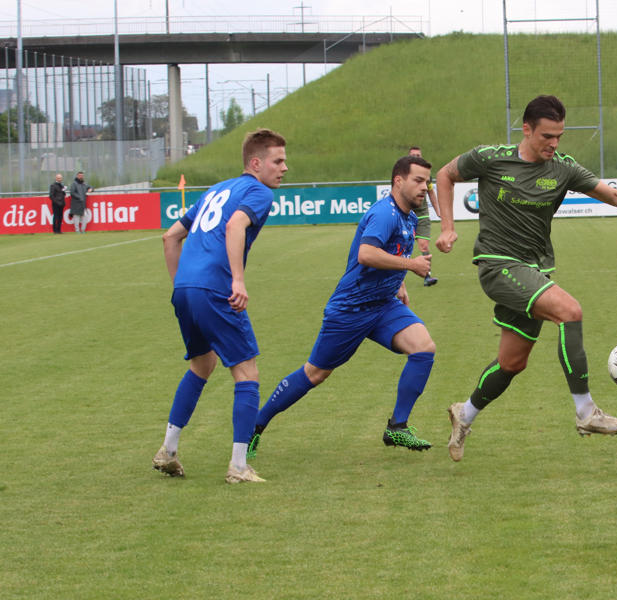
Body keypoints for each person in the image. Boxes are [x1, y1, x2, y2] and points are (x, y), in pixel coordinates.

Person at [435, 94, 617, 462]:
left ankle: (464, 414)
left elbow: (614, 196)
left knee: (511, 363)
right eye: (546, 136)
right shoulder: (490, 158)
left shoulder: (563, 168)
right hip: (497, 265)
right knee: (570, 311)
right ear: (526, 129)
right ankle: (586, 412)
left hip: (533, 270)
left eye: (559, 137)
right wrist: (447, 227)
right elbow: (445, 174)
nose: (553, 144)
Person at [246, 154, 438, 458]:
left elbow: (394, 252)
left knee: (424, 348)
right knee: (314, 374)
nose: (424, 187)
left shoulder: (409, 218)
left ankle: (397, 426)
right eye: (418, 180)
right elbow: (366, 254)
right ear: (398, 181)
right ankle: (255, 426)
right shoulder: (384, 213)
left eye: (427, 181)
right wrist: (411, 265)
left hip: (383, 305)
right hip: (352, 308)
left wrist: (399, 282)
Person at [153, 128, 288, 484]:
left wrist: (182, 285)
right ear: (256, 163)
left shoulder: (215, 189)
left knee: (202, 364)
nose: (284, 168)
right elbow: (235, 225)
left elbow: (170, 237)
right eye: (277, 161)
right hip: (215, 289)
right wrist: (237, 280)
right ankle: (239, 467)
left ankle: (168, 450)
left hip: (186, 289)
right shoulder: (259, 192)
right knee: (247, 373)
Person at [408, 146, 440, 287]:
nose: (416, 157)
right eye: (413, 155)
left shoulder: (427, 176)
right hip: (407, 215)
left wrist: (438, 211)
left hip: (422, 216)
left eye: (418, 155)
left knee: (424, 245)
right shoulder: (404, 174)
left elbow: (431, 192)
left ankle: (427, 276)